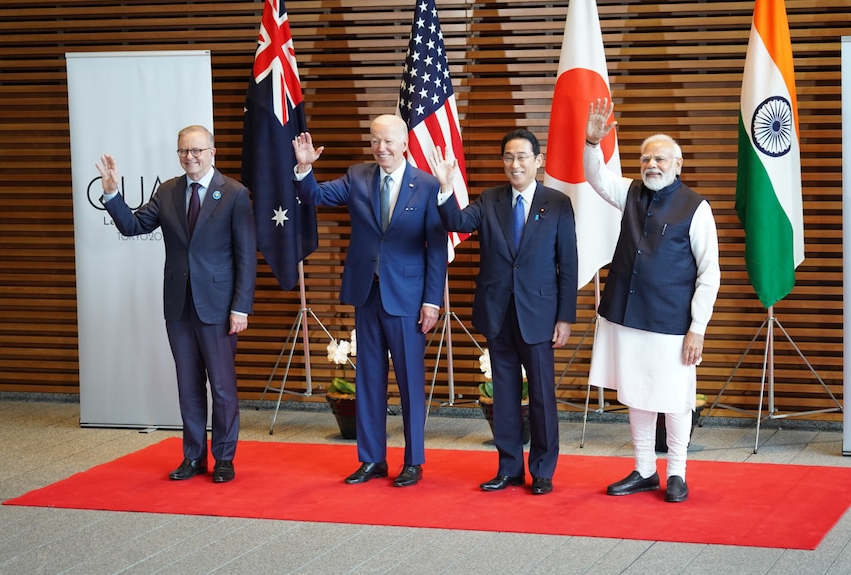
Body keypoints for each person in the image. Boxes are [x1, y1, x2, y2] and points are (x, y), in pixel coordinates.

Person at [292, 114, 448, 488]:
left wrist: (431, 301)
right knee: (369, 380)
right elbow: (314, 196)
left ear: (405, 144)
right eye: (376, 141)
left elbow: (437, 249)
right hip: (367, 293)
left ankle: (413, 462)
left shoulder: (427, 185)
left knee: (410, 383)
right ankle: (372, 459)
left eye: (389, 142)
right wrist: (303, 168)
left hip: (409, 299)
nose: (381, 149)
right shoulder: (357, 176)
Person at [95, 125, 257, 484]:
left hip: (218, 307)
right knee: (188, 386)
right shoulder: (167, 191)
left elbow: (246, 256)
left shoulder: (234, 194)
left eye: (197, 150)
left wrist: (241, 308)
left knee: (221, 387)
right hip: (178, 306)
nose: (190, 157)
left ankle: (224, 458)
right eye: (184, 151)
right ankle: (194, 457)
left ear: (212, 152)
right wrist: (111, 193)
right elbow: (133, 226)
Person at [584, 99, 720, 502]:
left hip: (672, 322)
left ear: (678, 164)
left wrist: (698, 328)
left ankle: (676, 471)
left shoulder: (696, 207)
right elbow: (595, 178)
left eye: (661, 159)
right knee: (636, 392)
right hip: (626, 316)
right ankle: (644, 468)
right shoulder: (629, 191)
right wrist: (593, 141)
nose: (652, 165)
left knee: (675, 397)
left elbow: (709, 273)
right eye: (646, 158)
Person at [430, 129, 578, 495]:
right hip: (498, 312)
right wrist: (446, 188)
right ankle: (509, 468)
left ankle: (542, 470)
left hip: (540, 315)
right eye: (509, 157)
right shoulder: (490, 200)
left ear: (537, 161)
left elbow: (569, 266)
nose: (516, 164)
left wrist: (565, 317)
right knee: (505, 395)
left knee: (542, 397)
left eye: (523, 157)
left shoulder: (557, 203)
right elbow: (457, 224)